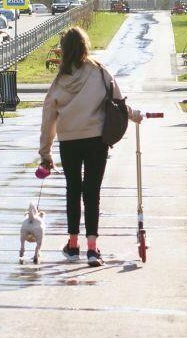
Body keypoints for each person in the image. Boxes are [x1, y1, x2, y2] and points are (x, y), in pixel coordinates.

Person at [38, 27, 142, 267]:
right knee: (92, 191)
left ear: (64, 50)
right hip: (96, 139)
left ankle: (73, 245)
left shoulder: (60, 79)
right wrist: (135, 115)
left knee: (73, 190)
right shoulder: (99, 71)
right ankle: (93, 249)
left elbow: (48, 116)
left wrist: (45, 152)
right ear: (85, 46)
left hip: (69, 141)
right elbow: (117, 102)